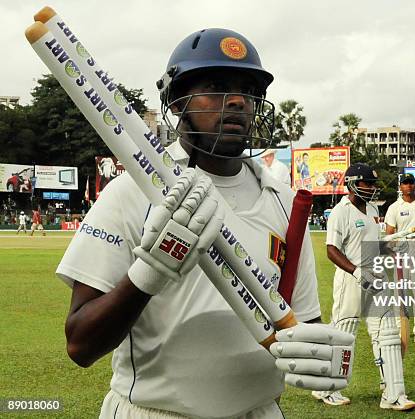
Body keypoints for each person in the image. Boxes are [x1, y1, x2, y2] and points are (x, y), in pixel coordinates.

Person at [56, 28, 354, 419]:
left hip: (260, 411)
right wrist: (151, 270)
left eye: (248, 90)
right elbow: (81, 345)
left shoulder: (284, 202)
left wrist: (320, 353)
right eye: (215, 86)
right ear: (176, 102)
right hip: (155, 411)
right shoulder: (132, 193)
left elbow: (301, 323)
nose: (237, 101)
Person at [313, 163, 415, 411]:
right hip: (351, 280)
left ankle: (392, 393)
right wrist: (357, 272)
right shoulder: (341, 212)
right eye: (366, 184)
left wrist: (391, 246)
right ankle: (328, 388)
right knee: (344, 334)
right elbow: (331, 250)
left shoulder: (371, 209)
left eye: (372, 184)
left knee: (388, 335)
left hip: (377, 278)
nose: (371, 188)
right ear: (351, 184)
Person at [385, 173, 415, 343]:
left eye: (411, 183)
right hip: (401, 252)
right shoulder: (394, 208)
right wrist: (393, 253)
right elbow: (389, 234)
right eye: (405, 183)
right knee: (401, 292)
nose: (408, 186)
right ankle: (400, 328)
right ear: (400, 187)